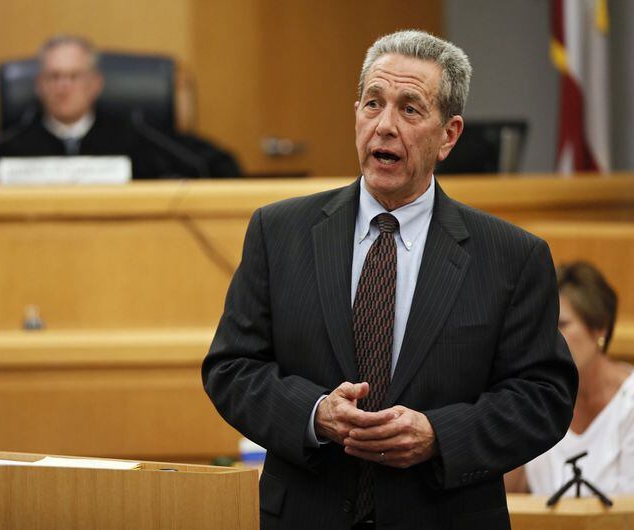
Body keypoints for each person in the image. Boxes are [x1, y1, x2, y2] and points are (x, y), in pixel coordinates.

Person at [202, 30, 578, 530]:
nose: (384, 126)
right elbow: (231, 367)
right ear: (355, 112)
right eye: (373, 104)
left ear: (449, 135)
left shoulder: (511, 256)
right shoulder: (279, 231)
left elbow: (542, 398)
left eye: (409, 109)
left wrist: (438, 435)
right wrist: (315, 414)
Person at [0, 35, 240, 181]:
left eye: (74, 76)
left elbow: (218, 166)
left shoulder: (135, 137)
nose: (63, 87)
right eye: (54, 77)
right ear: (39, 85)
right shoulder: (10, 146)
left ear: (95, 84)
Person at [506, 261, 634, 496]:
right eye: (544, 328)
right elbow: (509, 497)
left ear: (600, 328)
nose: (551, 340)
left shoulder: (629, 404)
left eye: (562, 325)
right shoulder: (533, 398)